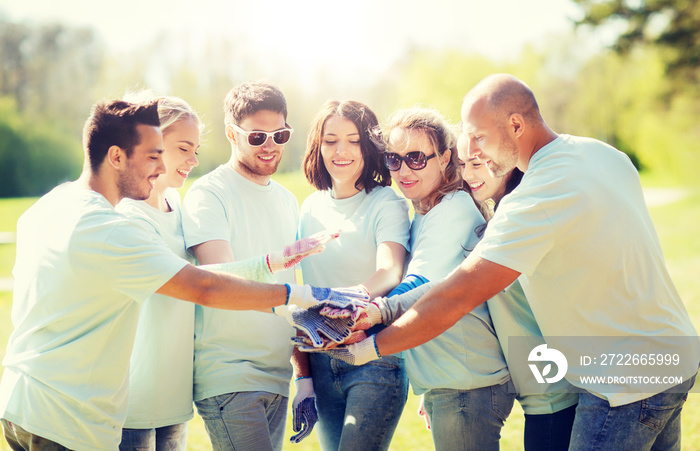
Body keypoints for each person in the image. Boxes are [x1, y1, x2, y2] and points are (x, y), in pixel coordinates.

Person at [315, 74, 700, 450]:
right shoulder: (602, 153)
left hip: (624, 381)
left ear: (516, 125)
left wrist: (370, 348)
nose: (474, 151)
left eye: (479, 137)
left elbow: (457, 295)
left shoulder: (533, 200)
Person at [0, 99, 358, 451]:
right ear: (116, 156)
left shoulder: (49, 205)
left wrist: (275, 265)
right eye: (153, 156)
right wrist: (304, 297)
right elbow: (202, 285)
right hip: (66, 414)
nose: (161, 167)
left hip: (24, 401)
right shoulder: (110, 226)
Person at [383, 107, 514, 450]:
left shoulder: (452, 208)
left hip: (466, 386)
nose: (403, 170)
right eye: (393, 160)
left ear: (444, 158)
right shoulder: (425, 213)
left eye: (415, 158)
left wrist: (364, 314)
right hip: (453, 384)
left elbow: (419, 287)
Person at [181, 81, 301, 451]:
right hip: (230, 376)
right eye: (258, 136)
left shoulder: (287, 200)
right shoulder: (209, 193)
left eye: (280, 134)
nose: (270, 145)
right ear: (232, 134)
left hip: (277, 376)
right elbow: (220, 280)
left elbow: (289, 298)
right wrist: (298, 290)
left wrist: (304, 377)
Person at [296, 100, 410, 450]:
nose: (340, 151)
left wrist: (348, 297)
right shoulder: (310, 208)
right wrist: (303, 377)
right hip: (320, 363)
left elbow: (390, 269)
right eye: (330, 141)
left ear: (369, 145)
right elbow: (302, 293)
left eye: (353, 140)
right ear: (318, 147)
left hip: (374, 359)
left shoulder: (386, 202)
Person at [459, 135, 578, 451]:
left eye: (477, 163)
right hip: (541, 396)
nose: (468, 175)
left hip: (554, 396)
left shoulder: (521, 222)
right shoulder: (499, 220)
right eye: (462, 165)